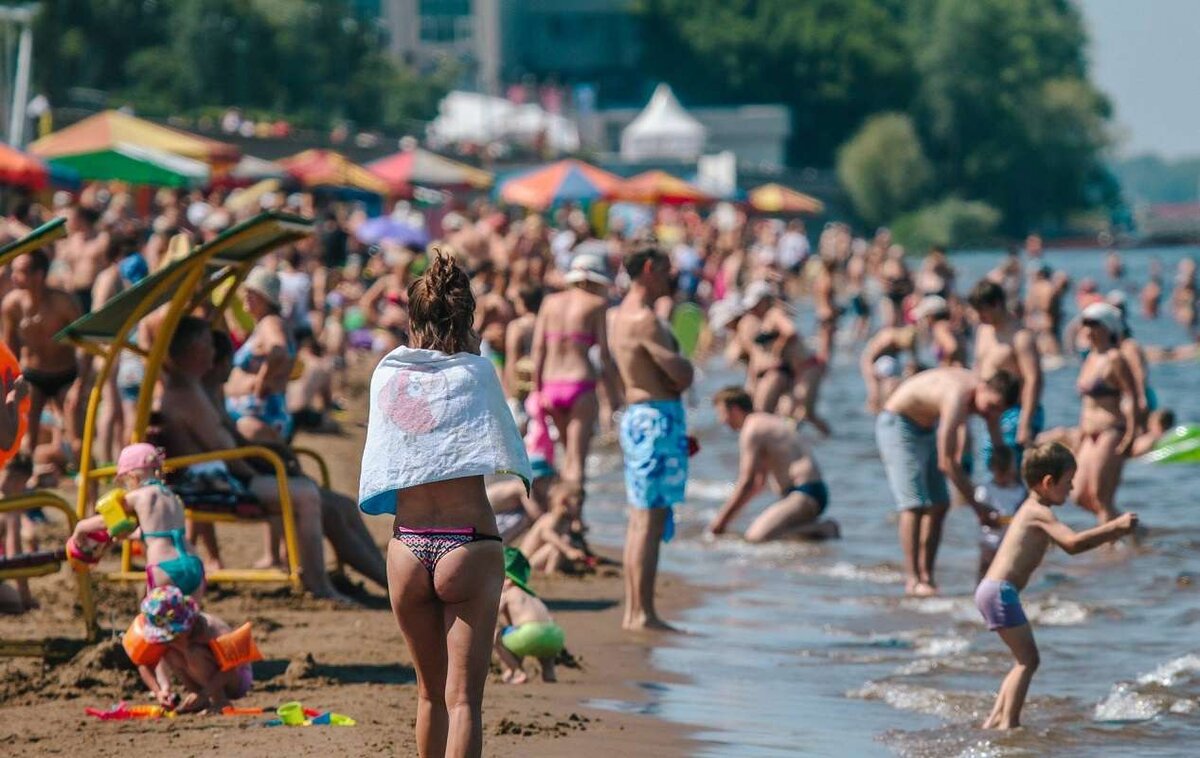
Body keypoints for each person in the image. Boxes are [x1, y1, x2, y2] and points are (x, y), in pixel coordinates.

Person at [358, 251, 531, 757]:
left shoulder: (387, 377)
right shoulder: (476, 374)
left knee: (429, 694)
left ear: (413, 319)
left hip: (408, 545)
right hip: (468, 544)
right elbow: (498, 442)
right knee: (464, 702)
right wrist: (473, 348)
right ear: (467, 321)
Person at [159, 318, 374, 601]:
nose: (215, 352)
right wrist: (268, 469)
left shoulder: (197, 390)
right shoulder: (185, 394)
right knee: (307, 495)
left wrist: (274, 461)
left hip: (223, 475)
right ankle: (317, 584)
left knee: (339, 504)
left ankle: (385, 579)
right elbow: (224, 452)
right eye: (208, 344)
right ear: (193, 348)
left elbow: (228, 443)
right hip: (209, 483)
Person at [976, 442, 1137, 730]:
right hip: (1000, 592)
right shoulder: (1038, 511)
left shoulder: (1032, 509)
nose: (1072, 489)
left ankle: (995, 721)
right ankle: (1009, 725)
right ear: (1048, 482)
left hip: (993, 590)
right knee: (1028, 661)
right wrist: (1115, 527)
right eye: (1068, 482)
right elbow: (1072, 544)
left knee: (1022, 660)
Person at [609, 242, 694, 631]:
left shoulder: (618, 314)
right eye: (665, 270)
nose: (671, 278)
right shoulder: (644, 319)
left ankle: (636, 610)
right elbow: (680, 376)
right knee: (650, 519)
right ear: (647, 269)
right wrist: (686, 364)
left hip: (641, 416)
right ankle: (642, 612)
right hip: (656, 417)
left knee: (641, 519)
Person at [876, 367, 1018, 595]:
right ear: (982, 387)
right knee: (915, 504)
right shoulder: (957, 395)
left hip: (926, 427)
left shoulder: (987, 401)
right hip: (898, 423)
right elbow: (947, 463)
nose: (990, 415)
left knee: (940, 503)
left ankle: (928, 577)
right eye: (990, 408)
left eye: (998, 412)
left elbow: (999, 447)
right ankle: (913, 580)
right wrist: (978, 507)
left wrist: (1015, 483)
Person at [530, 253, 620, 490]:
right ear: (592, 281)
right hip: (580, 384)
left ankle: (561, 515)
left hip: (550, 385)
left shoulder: (549, 303)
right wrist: (614, 395)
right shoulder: (597, 305)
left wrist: (535, 391)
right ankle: (576, 519)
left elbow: (538, 349)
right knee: (577, 461)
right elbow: (604, 356)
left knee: (564, 454)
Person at [708, 387, 839, 542]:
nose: (721, 420)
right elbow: (758, 483)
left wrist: (720, 522)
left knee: (755, 538)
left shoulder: (752, 429)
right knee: (776, 536)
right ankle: (811, 530)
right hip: (810, 492)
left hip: (803, 494)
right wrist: (731, 518)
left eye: (721, 413)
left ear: (735, 409)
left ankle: (824, 528)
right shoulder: (766, 421)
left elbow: (747, 482)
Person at [2, 249, 83, 486]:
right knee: (26, 442)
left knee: (78, 440)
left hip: (66, 374)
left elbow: (84, 344)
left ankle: (89, 501)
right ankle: (28, 503)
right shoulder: (12, 305)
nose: (14, 276)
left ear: (39, 275)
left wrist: (81, 383)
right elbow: (10, 352)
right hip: (32, 375)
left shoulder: (63, 302)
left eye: (20, 271)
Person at [135, 587, 254, 713]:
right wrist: (161, 690)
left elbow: (232, 667)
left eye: (175, 635)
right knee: (168, 651)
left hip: (236, 678)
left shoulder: (210, 629)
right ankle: (198, 699)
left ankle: (220, 701)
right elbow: (143, 663)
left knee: (193, 653)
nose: (172, 639)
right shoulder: (170, 640)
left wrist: (204, 694)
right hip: (205, 681)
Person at [1073, 302, 1138, 524]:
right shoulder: (1089, 357)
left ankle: (1109, 552)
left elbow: (1132, 397)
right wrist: (1080, 434)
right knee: (1079, 495)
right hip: (1088, 433)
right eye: (1085, 324)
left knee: (1101, 496)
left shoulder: (1115, 359)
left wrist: (1131, 434)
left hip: (1111, 430)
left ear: (1108, 327)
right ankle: (1129, 530)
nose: (1088, 330)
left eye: (1094, 324)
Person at [968, 280, 1043, 466]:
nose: (979, 316)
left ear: (997, 304)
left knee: (1011, 468)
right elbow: (978, 368)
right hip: (990, 411)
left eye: (982, 310)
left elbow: (1034, 380)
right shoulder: (983, 331)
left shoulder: (1020, 337)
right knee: (991, 465)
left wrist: (1025, 423)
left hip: (1015, 412)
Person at [224, 267, 296, 443]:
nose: (246, 295)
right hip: (258, 413)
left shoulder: (270, 323)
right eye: (246, 291)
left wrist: (260, 382)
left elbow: (279, 350)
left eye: (253, 292)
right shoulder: (268, 323)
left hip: (260, 416)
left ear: (267, 298)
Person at [494, 548, 566, 685]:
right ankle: (549, 673)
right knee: (526, 636)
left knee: (497, 636)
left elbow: (493, 614)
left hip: (529, 633)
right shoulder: (532, 596)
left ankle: (517, 672)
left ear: (508, 580)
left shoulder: (508, 593)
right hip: (555, 636)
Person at [973, 446, 1026, 581]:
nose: (1004, 477)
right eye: (1000, 473)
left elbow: (1023, 513)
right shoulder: (986, 490)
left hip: (1010, 541)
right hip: (989, 540)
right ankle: (980, 595)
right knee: (986, 568)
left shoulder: (1019, 491)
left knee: (1007, 573)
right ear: (992, 469)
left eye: (1007, 472)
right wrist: (994, 520)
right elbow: (982, 518)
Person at [519, 482, 587, 573]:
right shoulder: (551, 518)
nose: (580, 508)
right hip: (524, 563)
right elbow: (546, 534)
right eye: (579, 504)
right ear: (564, 502)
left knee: (567, 542)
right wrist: (568, 551)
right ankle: (550, 573)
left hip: (536, 560)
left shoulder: (566, 521)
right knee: (562, 543)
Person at [859, 322, 919, 413]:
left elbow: (913, 361)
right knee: (874, 393)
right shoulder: (888, 338)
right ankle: (873, 412)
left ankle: (887, 410)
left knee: (892, 387)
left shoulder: (909, 339)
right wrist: (872, 376)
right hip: (874, 363)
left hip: (889, 364)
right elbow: (867, 359)